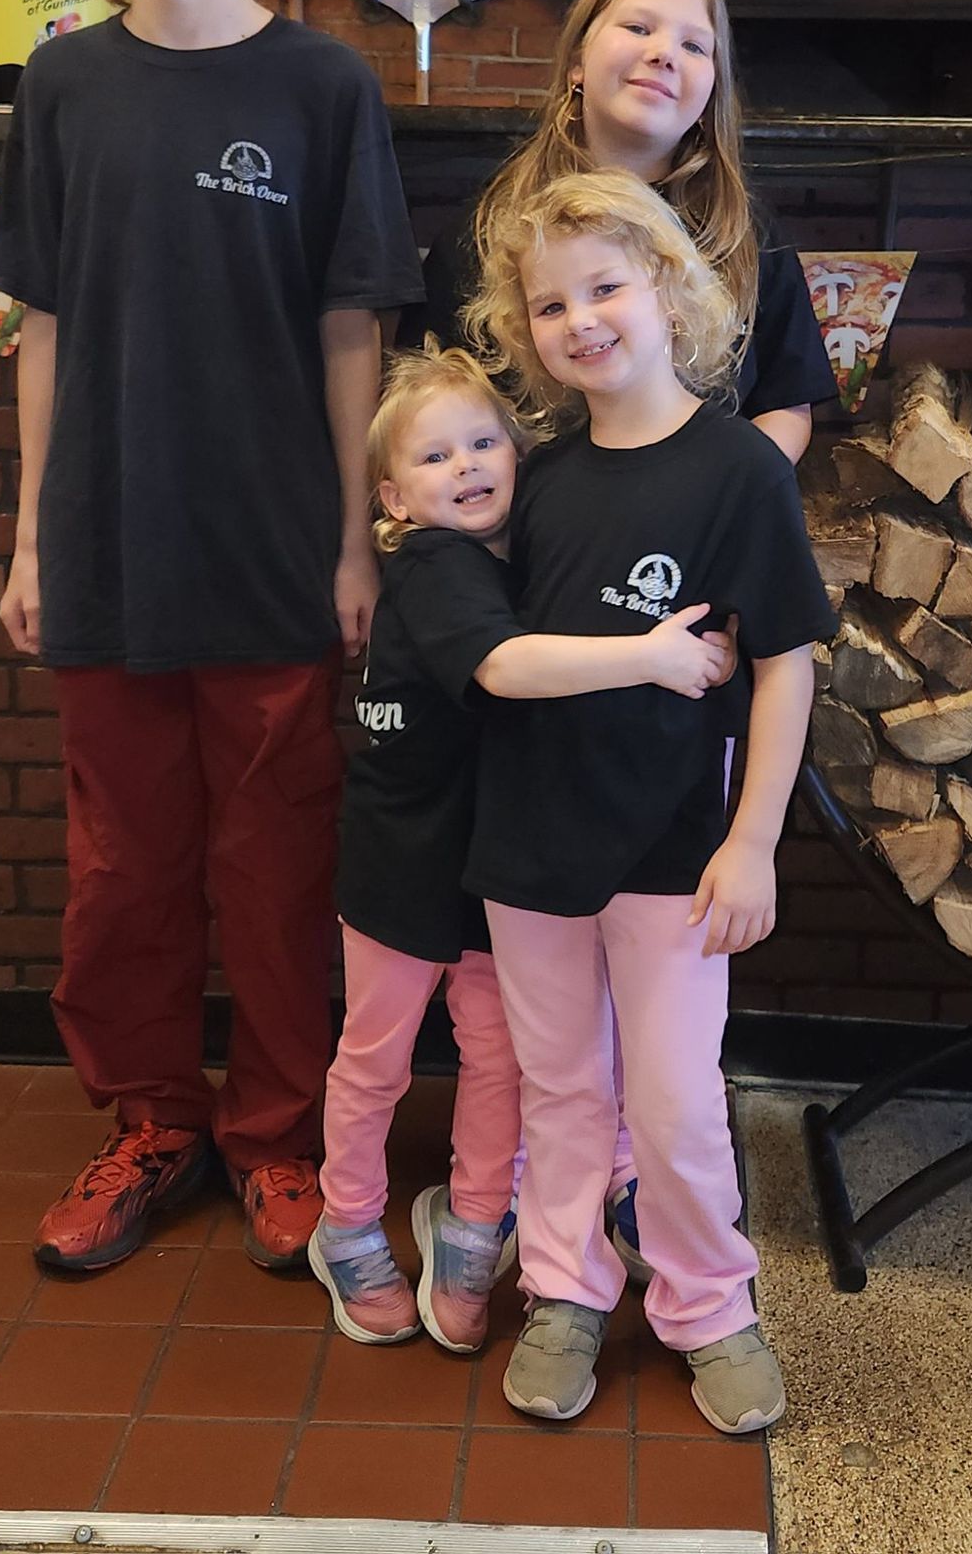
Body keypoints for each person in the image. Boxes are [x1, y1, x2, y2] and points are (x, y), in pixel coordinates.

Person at [0, 0, 423, 1273]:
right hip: (104, 548)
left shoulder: (319, 88)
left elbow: (353, 329)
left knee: (279, 868)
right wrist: (32, 536)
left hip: (271, 552)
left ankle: (277, 1138)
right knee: (122, 871)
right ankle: (150, 1123)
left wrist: (359, 544)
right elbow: (40, 326)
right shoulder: (62, 83)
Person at [468, 169, 833, 1434]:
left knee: (674, 1103)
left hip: (676, 851)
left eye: (607, 286)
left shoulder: (740, 472)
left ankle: (711, 1304)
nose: (582, 319)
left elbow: (784, 661)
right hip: (529, 846)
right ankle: (567, 1289)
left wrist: (755, 843)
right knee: (561, 1090)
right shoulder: (535, 478)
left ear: (672, 291)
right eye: (551, 301)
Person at [309, 339, 732, 1350]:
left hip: (491, 868)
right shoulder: (439, 567)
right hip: (399, 868)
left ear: (519, 452)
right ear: (393, 498)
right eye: (436, 456)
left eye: (483, 442)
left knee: (498, 1063)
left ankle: (470, 1223)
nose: (467, 467)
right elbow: (505, 670)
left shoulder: (517, 557)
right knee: (375, 1058)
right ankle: (347, 1220)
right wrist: (655, 657)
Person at [411, 0, 834, 466]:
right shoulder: (488, 231)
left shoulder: (746, 237)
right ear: (576, 63)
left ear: (711, 94)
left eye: (695, 46)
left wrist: (730, 499)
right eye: (638, 28)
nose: (663, 54)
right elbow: (431, 406)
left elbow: (785, 404)